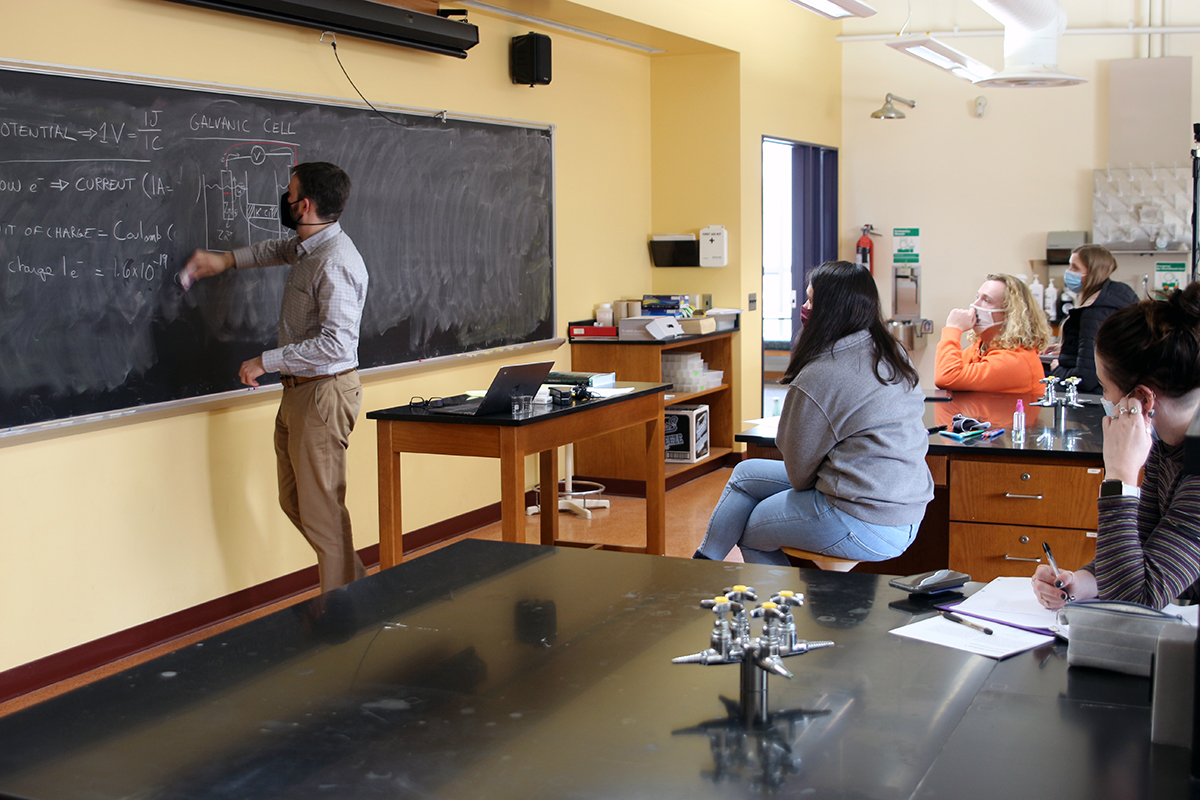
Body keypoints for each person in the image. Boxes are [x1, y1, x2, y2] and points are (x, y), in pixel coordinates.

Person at [180, 162, 369, 593]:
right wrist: (225, 260)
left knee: (322, 514)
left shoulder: (335, 262)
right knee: (295, 501)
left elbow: (336, 347)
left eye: (289, 193)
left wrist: (267, 360)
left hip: (322, 393)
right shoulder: (308, 247)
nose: (283, 200)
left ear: (303, 205)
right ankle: (357, 591)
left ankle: (345, 620)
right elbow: (275, 251)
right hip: (300, 393)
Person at [693, 261, 933, 566]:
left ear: (830, 311)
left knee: (751, 531)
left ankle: (786, 612)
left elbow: (799, 475)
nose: (804, 308)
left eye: (810, 301)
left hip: (863, 518)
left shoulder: (822, 374)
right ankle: (701, 564)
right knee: (743, 474)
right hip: (906, 507)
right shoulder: (889, 351)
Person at [1032, 283, 1200, 610]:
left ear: (1143, 399)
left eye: (1106, 388)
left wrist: (1119, 476)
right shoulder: (1166, 443)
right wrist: (1083, 582)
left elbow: (1134, 601)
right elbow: (1144, 549)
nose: (1105, 400)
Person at [935, 273, 1050, 394]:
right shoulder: (981, 347)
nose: (975, 306)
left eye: (986, 300)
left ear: (1009, 314)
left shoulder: (1014, 360)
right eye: (977, 297)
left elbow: (947, 378)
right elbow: (947, 372)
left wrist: (953, 329)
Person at [1049, 244, 1138, 393]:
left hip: (1093, 395)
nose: (1068, 272)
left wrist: (1057, 369)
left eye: (1075, 268)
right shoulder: (1117, 296)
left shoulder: (1096, 311)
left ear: (1092, 272)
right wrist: (1066, 349)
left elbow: (1086, 378)